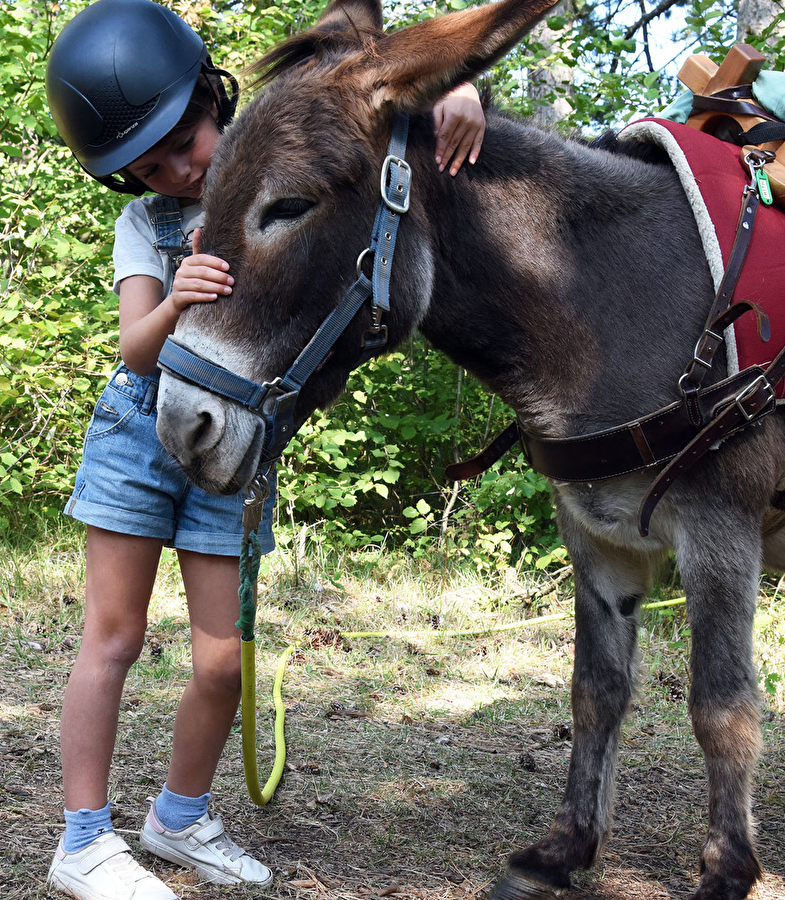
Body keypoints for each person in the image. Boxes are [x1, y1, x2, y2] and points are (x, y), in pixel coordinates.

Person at [43, 2, 486, 897]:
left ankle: (177, 816)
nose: (176, 168)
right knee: (113, 638)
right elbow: (134, 348)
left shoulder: (269, 158)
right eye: (148, 162)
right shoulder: (144, 230)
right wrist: (175, 301)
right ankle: (83, 840)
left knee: (222, 658)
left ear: (214, 101)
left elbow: (366, 101)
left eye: (185, 139)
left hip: (236, 450)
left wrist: (460, 89)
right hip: (139, 429)